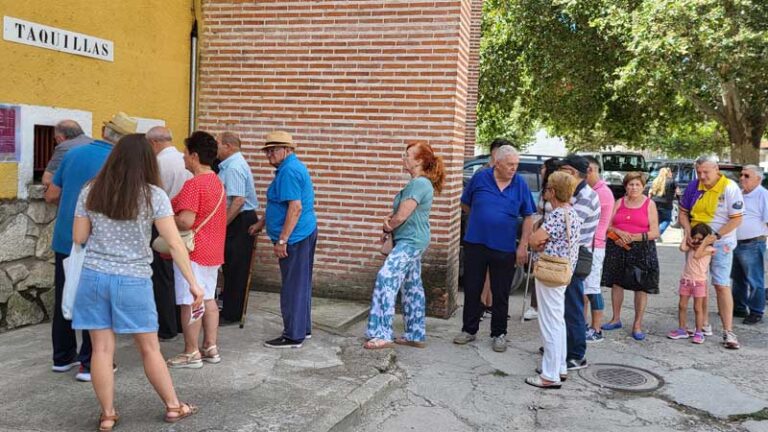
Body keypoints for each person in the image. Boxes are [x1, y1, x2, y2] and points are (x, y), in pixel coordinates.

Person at [71, 134, 201, 430]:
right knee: (150, 349)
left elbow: (78, 238)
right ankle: (172, 406)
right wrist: (193, 283)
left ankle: (107, 415)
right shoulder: (154, 195)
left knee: (102, 350)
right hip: (133, 280)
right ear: (147, 161)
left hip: (94, 277)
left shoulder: (90, 190)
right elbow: (175, 243)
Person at [44, 112, 137, 382]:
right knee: (94, 301)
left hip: (65, 237)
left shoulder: (73, 153)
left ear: (104, 131)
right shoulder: (119, 163)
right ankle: (88, 363)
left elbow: (52, 193)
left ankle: (62, 358)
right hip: (99, 242)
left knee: (66, 293)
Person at [453, 145, 535, 353]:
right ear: (496, 163)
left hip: (505, 247)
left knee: (500, 292)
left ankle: (499, 333)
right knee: (472, 288)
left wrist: (523, 245)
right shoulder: (480, 178)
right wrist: (482, 219)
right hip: (476, 244)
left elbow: (528, 216)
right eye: (509, 164)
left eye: (516, 164)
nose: (513, 168)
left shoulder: (520, 184)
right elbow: (465, 204)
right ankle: (469, 330)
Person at [363, 142, 444, 349]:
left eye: (408, 155)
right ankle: (414, 334)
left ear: (419, 161)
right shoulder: (419, 183)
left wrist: (389, 226)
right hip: (413, 239)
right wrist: (391, 223)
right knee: (412, 286)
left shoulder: (419, 184)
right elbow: (405, 213)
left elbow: (403, 215)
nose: (404, 158)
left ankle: (382, 333)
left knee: (386, 278)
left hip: (410, 241)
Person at [249, 131, 317, 348]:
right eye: (267, 150)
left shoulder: (288, 171)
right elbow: (278, 204)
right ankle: (301, 329)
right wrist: (261, 223)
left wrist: (282, 240)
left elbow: (295, 208)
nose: (269, 154)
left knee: (293, 286)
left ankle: (293, 336)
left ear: (288, 150)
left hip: (295, 237)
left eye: (274, 149)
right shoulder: (287, 168)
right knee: (300, 283)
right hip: (302, 232)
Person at [166, 131, 227, 368]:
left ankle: (191, 351)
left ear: (194, 155)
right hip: (213, 250)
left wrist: (165, 217)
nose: (182, 158)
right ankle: (210, 346)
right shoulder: (216, 182)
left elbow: (186, 221)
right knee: (209, 298)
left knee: (190, 300)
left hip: (193, 251)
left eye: (185, 153)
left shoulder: (194, 184)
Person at [678, 156, 743, 349]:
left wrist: (713, 237)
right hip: (696, 243)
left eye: (706, 172)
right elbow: (683, 213)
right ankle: (703, 325)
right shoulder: (693, 186)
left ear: (716, 169)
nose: (702, 176)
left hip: (720, 243)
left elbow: (736, 220)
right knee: (699, 281)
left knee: (721, 284)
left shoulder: (729, 187)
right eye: (699, 172)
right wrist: (688, 233)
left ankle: (728, 331)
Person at [526, 171, 581, 389]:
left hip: (550, 272)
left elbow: (535, 240)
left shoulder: (557, 216)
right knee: (557, 321)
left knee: (549, 322)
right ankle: (559, 367)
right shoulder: (572, 214)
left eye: (548, 187)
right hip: (563, 272)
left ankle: (549, 375)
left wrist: (535, 241)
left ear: (553, 191)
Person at [601, 172, 661, 341]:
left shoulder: (649, 205)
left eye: (637, 185)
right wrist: (619, 233)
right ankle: (616, 318)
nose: (633, 188)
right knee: (617, 283)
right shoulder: (619, 202)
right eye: (630, 184)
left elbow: (655, 232)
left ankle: (637, 324)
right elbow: (608, 225)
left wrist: (633, 237)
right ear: (625, 186)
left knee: (640, 286)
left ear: (643, 187)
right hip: (617, 247)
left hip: (641, 249)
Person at [147, 126, 192, 340]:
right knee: (179, 274)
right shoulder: (185, 160)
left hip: (163, 221)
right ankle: (181, 322)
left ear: (154, 143)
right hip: (184, 221)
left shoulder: (157, 163)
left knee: (162, 277)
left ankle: (166, 326)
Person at [556, 155, 600, 370]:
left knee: (572, 304)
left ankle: (576, 353)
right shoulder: (573, 192)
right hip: (566, 252)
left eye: (563, 170)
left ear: (573, 172)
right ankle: (561, 346)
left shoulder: (586, 196)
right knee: (561, 304)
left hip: (576, 254)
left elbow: (569, 226)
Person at [216, 132, 259, 324]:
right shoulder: (231, 165)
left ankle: (232, 313)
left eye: (218, 144)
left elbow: (238, 200)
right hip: (237, 218)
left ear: (228, 146)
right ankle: (229, 308)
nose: (216, 148)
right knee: (230, 266)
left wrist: (221, 225)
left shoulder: (233, 167)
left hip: (239, 219)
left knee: (236, 267)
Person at [580, 156, 613, 343]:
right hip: (590, 245)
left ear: (590, 170)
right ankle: (583, 324)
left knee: (592, 289)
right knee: (584, 288)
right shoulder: (596, 190)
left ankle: (597, 328)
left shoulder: (601, 193)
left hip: (595, 246)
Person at [524, 157, 560, 321]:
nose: (541, 170)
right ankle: (534, 305)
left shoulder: (557, 190)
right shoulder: (543, 188)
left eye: (544, 168)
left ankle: (544, 307)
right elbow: (539, 211)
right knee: (537, 270)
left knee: (549, 271)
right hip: (541, 232)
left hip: (551, 236)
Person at [667, 224, 716, 344]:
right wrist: (686, 236)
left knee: (697, 308)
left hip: (699, 282)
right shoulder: (691, 246)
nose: (696, 241)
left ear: (706, 239)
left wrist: (704, 243)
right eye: (695, 238)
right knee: (682, 305)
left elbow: (697, 255)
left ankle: (699, 331)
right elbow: (682, 248)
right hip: (686, 280)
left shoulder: (709, 249)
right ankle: (682, 329)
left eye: (700, 239)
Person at [732, 165, 768, 325]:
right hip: (735, 242)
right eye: (741, 175)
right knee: (738, 278)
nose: (742, 178)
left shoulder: (763, 195)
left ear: (758, 179)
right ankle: (739, 307)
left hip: (753, 243)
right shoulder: (740, 194)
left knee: (754, 279)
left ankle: (756, 311)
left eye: (747, 176)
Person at [42, 120, 92, 188]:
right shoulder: (94, 143)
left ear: (60, 138)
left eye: (55, 139)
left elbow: (47, 180)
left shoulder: (64, 147)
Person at [649, 167, 676, 238]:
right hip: (666, 205)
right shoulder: (671, 181)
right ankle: (656, 234)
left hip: (654, 203)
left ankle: (654, 235)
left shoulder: (655, 181)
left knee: (657, 220)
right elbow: (678, 192)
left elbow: (650, 192)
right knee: (666, 220)